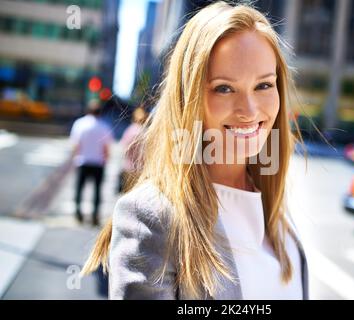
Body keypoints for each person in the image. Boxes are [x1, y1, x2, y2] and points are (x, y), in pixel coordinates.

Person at [81, 1, 308, 299]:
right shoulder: (151, 217)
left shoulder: (275, 208)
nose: (250, 110)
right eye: (224, 88)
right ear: (189, 99)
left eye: (264, 85)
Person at [70, 100, 113, 226]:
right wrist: (106, 160)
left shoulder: (79, 124)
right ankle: (95, 215)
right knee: (97, 190)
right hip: (98, 162)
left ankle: (78, 211)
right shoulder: (104, 126)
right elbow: (107, 148)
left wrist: (75, 157)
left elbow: (75, 144)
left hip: (82, 160)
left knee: (79, 188)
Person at [117, 106, 148, 194]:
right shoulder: (146, 131)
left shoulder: (130, 130)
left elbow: (123, 147)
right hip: (142, 169)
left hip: (129, 167)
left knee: (128, 194)